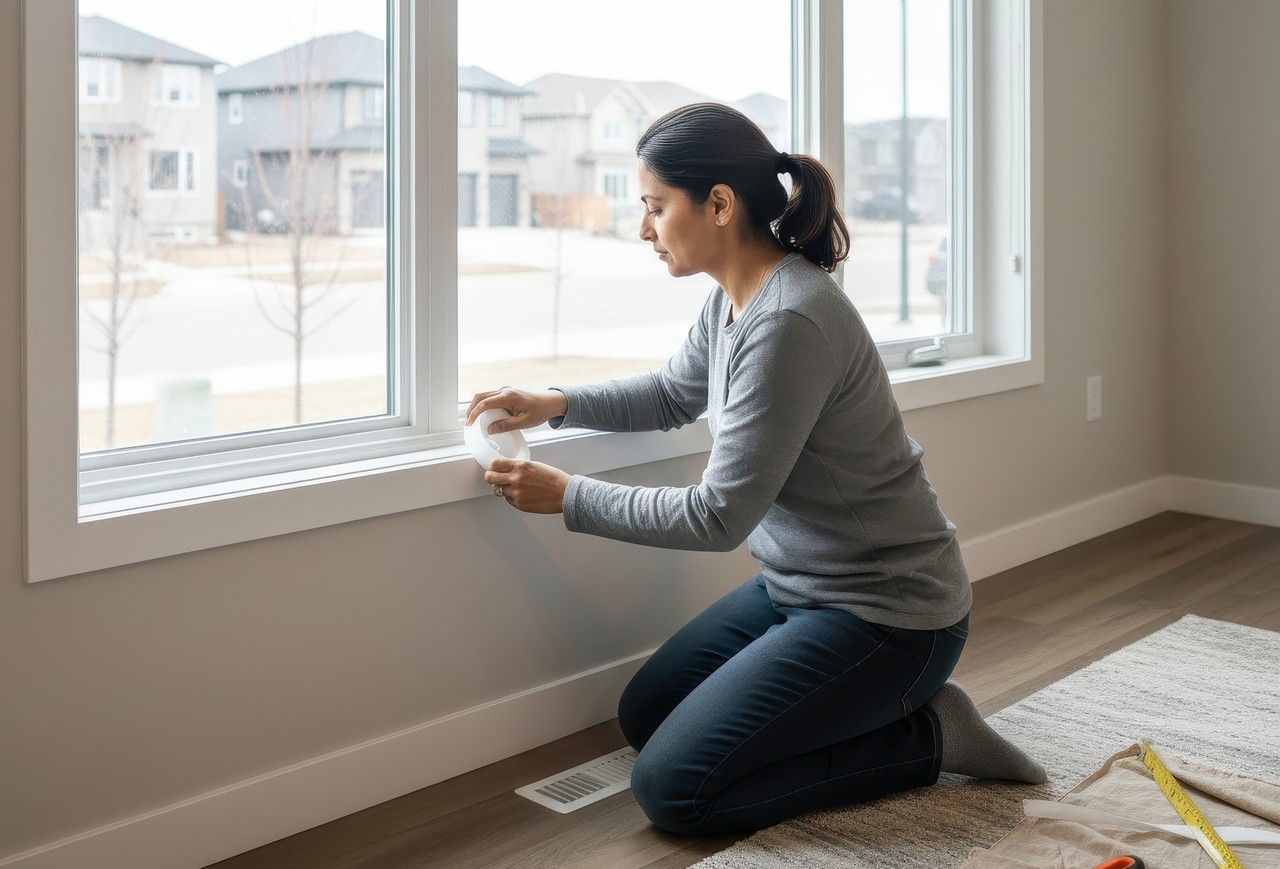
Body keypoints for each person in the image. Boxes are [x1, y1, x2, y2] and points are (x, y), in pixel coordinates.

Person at [465, 103, 1045, 836]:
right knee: (646, 713)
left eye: (654, 206)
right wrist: (555, 401)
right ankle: (861, 711)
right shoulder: (734, 300)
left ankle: (927, 737)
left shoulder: (790, 321)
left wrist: (567, 496)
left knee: (676, 790)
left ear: (717, 204)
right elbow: (674, 390)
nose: (643, 229)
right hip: (798, 587)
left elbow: (718, 516)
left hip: (891, 614)